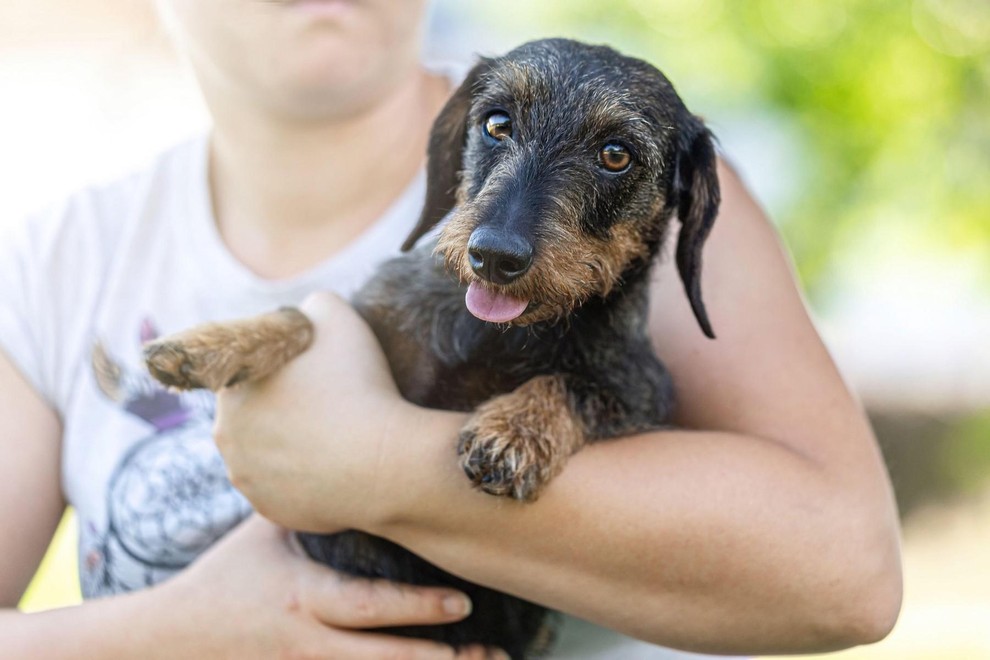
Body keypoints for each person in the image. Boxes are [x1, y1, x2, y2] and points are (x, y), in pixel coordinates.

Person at [0, 0, 902, 658]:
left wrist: (381, 465)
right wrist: (184, 632)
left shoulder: (687, 227)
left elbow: (851, 577)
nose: (509, 229)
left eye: (615, 156)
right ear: (463, 145)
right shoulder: (53, 262)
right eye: (500, 128)